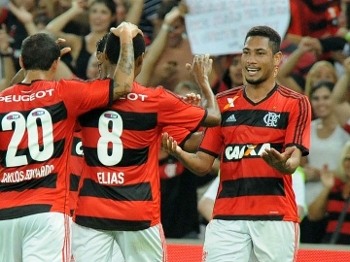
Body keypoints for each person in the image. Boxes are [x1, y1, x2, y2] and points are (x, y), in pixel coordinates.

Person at [161, 25, 312, 262]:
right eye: (246, 52)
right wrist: (178, 151)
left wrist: (283, 164)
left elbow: (293, 159)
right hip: (226, 219)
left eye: (260, 53)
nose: (250, 59)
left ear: (277, 59)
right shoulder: (222, 103)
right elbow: (202, 164)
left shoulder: (295, 103)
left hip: (275, 218)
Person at [71, 30, 221, 261]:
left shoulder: (82, 97)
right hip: (138, 211)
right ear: (140, 59)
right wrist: (203, 84)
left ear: (105, 57)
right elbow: (213, 117)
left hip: (91, 211)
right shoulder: (155, 101)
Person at [0, 22, 140, 262]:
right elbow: (123, 85)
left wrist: (35, 58)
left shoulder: (2, 100)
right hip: (48, 211)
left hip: (4, 214)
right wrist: (127, 38)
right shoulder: (65, 93)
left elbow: (15, 86)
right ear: (56, 64)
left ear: (21, 62)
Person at [308, 140, 350, 245]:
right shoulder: (336, 185)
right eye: (347, 158)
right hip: (331, 248)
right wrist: (326, 188)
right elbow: (313, 215)